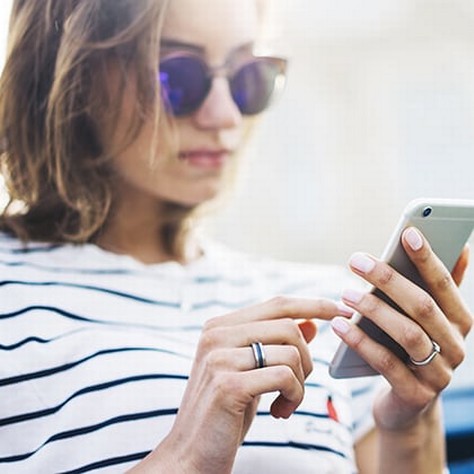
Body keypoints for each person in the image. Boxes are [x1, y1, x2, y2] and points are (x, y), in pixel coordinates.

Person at [0, 0, 472, 472]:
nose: (225, 116)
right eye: (177, 77)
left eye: (250, 76)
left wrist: (410, 422)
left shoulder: (332, 310)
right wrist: (186, 456)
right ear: (70, 77)